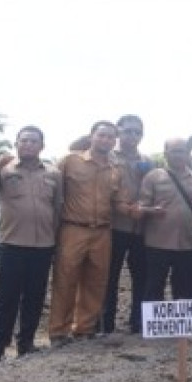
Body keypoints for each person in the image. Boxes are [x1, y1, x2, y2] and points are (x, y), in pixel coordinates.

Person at [48, 121, 146, 344]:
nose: (106, 140)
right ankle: (58, 331)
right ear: (91, 136)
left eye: (110, 137)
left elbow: (118, 201)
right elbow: (51, 187)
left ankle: (84, 329)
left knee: (96, 282)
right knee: (65, 280)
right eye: (101, 135)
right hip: (73, 228)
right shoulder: (70, 161)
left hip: (103, 231)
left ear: (114, 140)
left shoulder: (114, 170)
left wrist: (136, 211)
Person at [0, 126, 62, 362]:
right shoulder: (4, 170)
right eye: (24, 140)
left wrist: (56, 239)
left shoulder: (53, 173)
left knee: (35, 297)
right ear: (16, 144)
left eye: (34, 141)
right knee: (6, 298)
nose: (28, 144)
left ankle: (26, 344)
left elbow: (58, 208)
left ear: (42, 146)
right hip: (11, 244)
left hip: (43, 246)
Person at [138, 138, 192, 305]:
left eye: (182, 151)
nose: (178, 155)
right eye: (174, 151)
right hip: (157, 243)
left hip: (188, 242)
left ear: (187, 154)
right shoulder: (153, 177)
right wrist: (151, 210)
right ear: (166, 154)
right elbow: (141, 206)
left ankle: (182, 321)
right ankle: (152, 321)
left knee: (185, 288)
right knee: (154, 286)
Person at [102, 114, 151, 335]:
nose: (133, 136)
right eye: (128, 131)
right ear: (118, 132)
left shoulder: (148, 160)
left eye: (137, 132)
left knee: (141, 276)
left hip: (141, 228)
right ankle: (105, 324)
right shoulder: (107, 156)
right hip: (114, 226)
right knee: (109, 276)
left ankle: (138, 322)